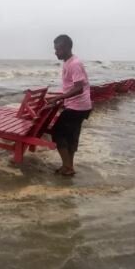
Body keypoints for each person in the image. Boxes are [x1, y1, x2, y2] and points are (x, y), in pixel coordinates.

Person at [46, 35, 92, 176]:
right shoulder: (68, 62)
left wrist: (60, 97)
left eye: (58, 49)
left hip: (77, 107)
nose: (55, 52)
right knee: (70, 137)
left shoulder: (74, 64)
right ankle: (68, 166)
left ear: (66, 48)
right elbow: (70, 86)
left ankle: (67, 167)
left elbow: (79, 88)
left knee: (57, 133)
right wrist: (58, 97)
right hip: (80, 106)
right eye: (55, 49)